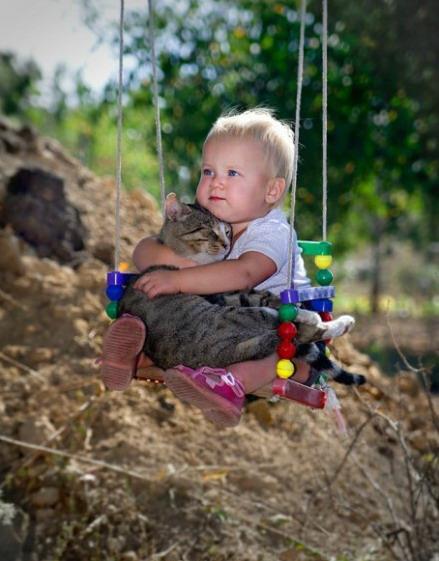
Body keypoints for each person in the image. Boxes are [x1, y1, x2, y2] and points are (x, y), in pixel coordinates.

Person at [102, 108, 315, 427]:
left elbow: (245, 274)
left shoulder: (273, 231)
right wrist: (175, 266)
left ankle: (231, 385)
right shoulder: (212, 220)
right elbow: (145, 249)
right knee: (158, 300)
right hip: (220, 322)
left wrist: (179, 280)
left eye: (232, 173)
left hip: (279, 320)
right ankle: (136, 351)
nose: (216, 182)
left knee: (279, 349)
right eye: (208, 171)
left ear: (271, 190)